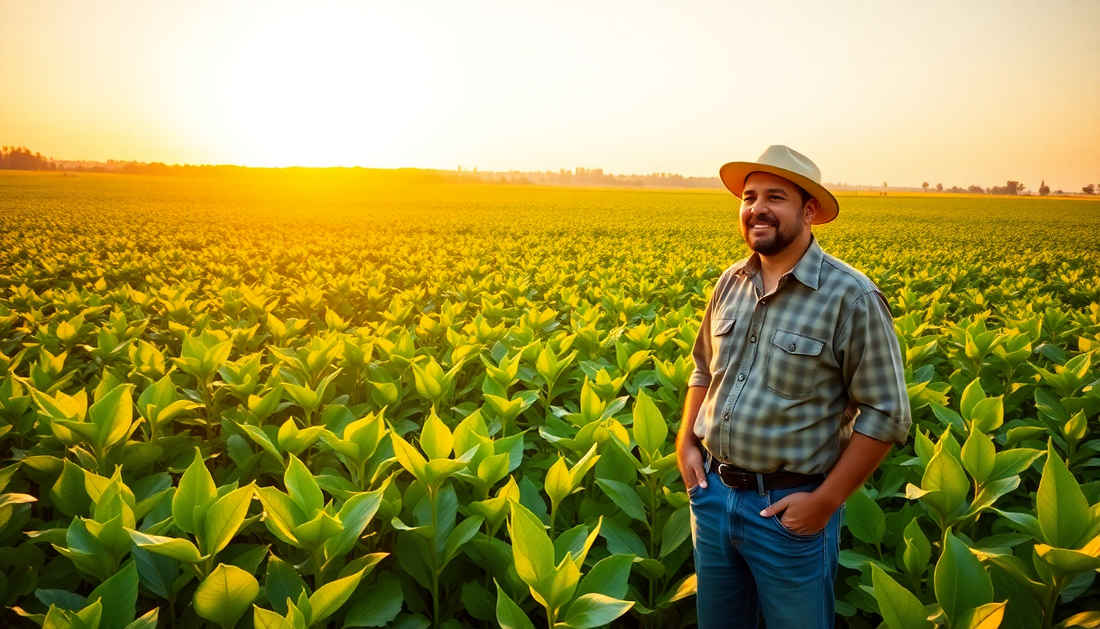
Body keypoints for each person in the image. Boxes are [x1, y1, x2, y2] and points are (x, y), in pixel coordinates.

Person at [675, 145, 911, 628]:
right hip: (714, 497)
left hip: (789, 511)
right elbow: (703, 368)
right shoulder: (730, 282)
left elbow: (887, 413)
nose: (757, 208)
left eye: (775, 197)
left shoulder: (851, 295)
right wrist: (686, 443)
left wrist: (825, 502)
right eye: (749, 196)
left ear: (809, 212)